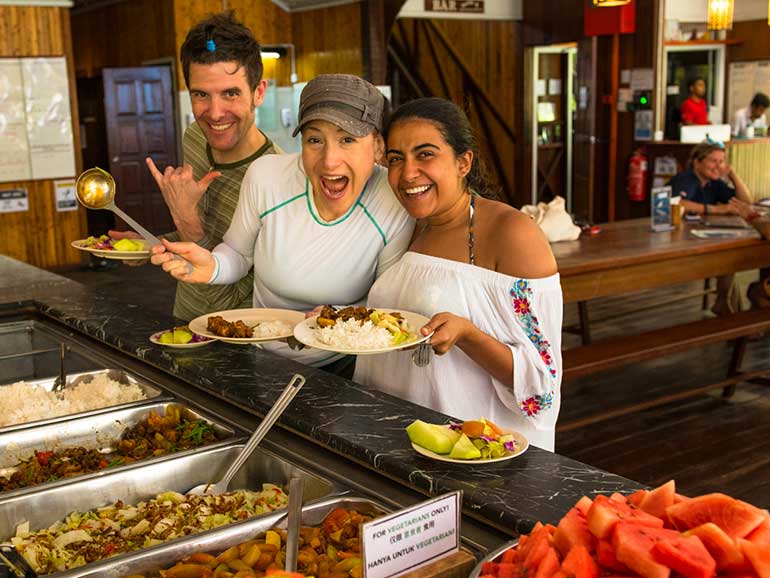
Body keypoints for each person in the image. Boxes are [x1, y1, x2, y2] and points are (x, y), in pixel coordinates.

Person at [150, 74, 414, 369]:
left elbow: (386, 303)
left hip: (343, 362)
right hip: (262, 354)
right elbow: (238, 254)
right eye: (314, 140)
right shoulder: (267, 177)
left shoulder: (392, 199)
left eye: (347, 139)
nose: (329, 161)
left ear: (378, 146)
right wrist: (212, 266)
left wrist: (339, 316)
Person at [354, 98, 563, 451]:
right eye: (396, 159)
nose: (407, 173)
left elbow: (542, 385)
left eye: (425, 154)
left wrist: (468, 335)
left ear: (464, 162)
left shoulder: (512, 233)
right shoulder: (406, 224)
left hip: (473, 455)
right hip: (396, 438)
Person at [113, 12, 281, 321]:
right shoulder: (195, 137)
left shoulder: (277, 180)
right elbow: (207, 237)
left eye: (230, 93)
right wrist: (152, 244)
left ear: (259, 92)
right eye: (201, 94)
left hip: (235, 334)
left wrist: (185, 218)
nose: (215, 114)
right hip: (184, 321)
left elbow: (227, 303)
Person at [668, 141, 752, 315]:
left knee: (730, 254)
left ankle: (724, 303)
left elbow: (746, 202)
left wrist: (733, 175)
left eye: (722, 161)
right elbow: (676, 203)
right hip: (676, 242)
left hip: (699, 238)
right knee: (728, 257)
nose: (718, 166)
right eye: (713, 161)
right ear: (697, 163)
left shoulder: (714, 183)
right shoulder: (686, 179)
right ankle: (725, 305)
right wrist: (715, 209)